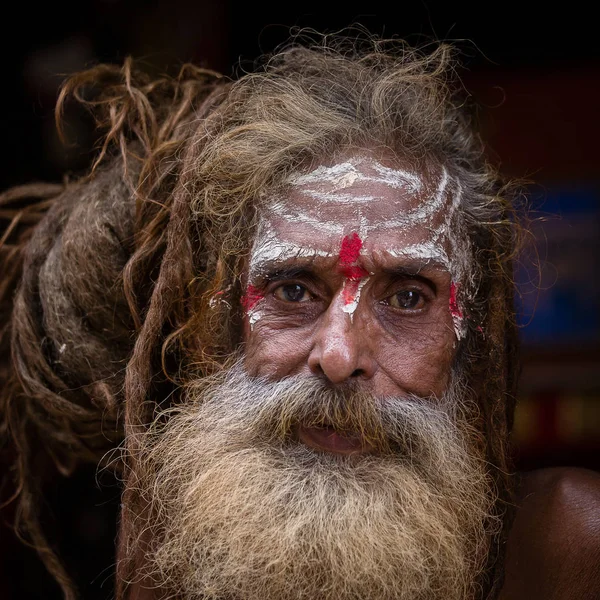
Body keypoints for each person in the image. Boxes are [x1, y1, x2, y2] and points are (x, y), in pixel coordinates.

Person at [1, 34, 599, 600]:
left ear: (473, 344)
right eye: (292, 290)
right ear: (215, 328)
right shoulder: (180, 557)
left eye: (409, 298)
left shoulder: (565, 552)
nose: (339, 357)